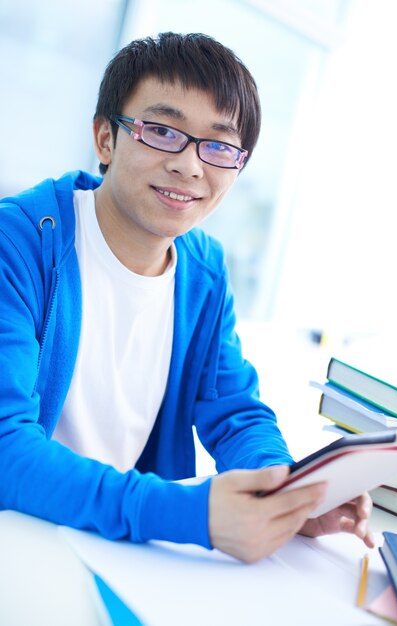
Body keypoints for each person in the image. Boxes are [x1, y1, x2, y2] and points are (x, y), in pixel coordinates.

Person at [0, 32, 374, 563]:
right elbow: (6, 450)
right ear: (106, 138)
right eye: (161, 131)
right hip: (23, 540)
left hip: (121, 550)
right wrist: (190, 513)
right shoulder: (18, 244)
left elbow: (234, 411)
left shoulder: (202, 269)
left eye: (219, 145)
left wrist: (287, 490)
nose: (190, 165)